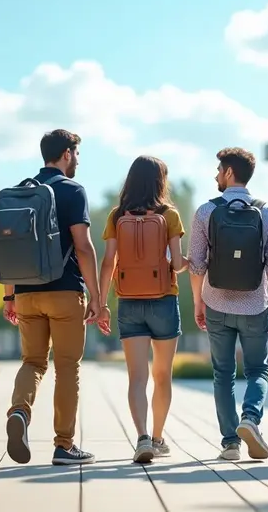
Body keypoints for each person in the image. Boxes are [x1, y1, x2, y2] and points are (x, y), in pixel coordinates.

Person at [1, 129, 110, 466]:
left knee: (32, 362)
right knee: (67, 368)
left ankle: (20, 411)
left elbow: (5, 248)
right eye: (76, 154)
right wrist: (97, 298)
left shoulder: (19, 192)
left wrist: (9, 297)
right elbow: (84, 246)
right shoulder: (73, 190)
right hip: (65, 292)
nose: (77, 160)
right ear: (66, 153)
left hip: (26, 295)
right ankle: (64, 445)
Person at [187, 147, 268, 461]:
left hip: (216, 302)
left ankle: (230, 443)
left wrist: (198, 303)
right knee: (258, 369)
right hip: (255, 304)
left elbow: (196, 266)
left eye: (219, 170)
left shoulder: (206, 211)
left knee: (223, 373)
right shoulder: (267, 211)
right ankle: (251, 419)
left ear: (229, 172)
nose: (216, 175)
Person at [95, 155, 189, 464]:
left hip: (128, 301)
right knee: (162, 375)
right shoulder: (170, 215)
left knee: (137, 377)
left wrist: (100, 302)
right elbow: (176, 264)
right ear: (161, 181)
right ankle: (159, 438)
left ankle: (142, 438)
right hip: (164, 299)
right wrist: (191, 263)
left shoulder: (116, 215)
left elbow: (109, 261)